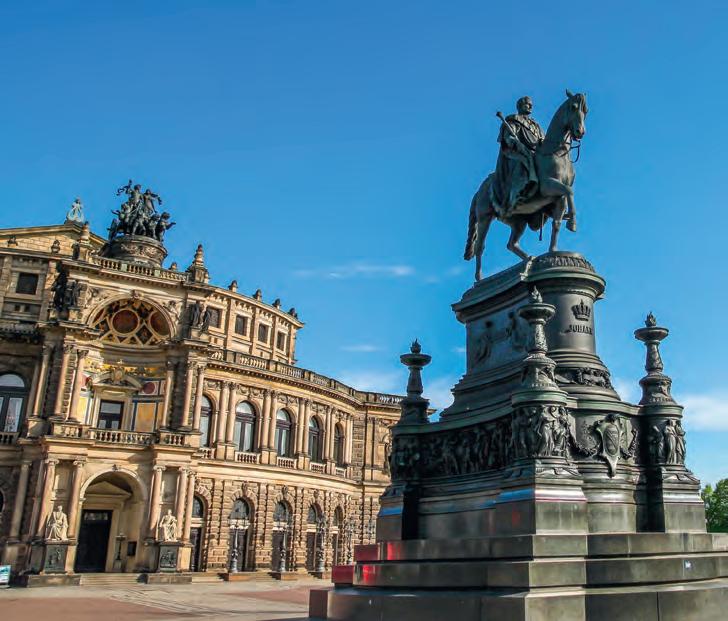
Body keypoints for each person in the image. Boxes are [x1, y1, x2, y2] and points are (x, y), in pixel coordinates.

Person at [491, 96, 545, 218]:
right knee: (525, 161)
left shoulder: (535, 125)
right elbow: (508, 138)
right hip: (517, 152)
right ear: (520, 106)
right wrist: (514, 141)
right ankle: (517, 195)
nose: (530, 106)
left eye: (531, 104)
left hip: (535, 152)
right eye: (527, 104)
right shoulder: (514, 120)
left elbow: (542, 139)